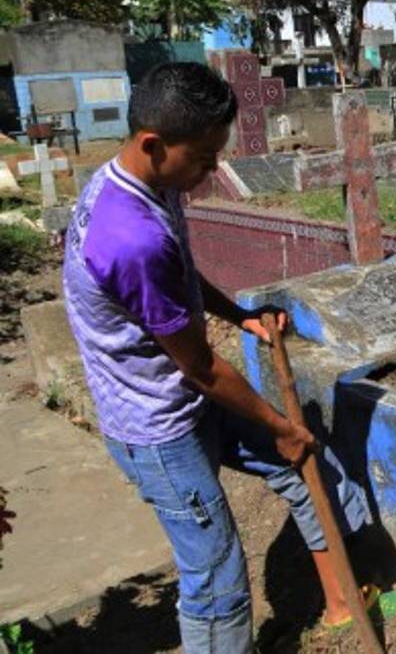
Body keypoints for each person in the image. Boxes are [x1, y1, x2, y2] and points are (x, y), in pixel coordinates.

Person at [62, 62, 371, 653]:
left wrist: (239, 315)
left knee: (299, 466)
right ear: (154, 144)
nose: (210, 173)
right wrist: (279, 424)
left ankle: (341, 604)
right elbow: (201, 368)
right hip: (157, 425)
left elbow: (178, 278)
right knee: (217, 577)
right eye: (204, 159)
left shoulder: (146, 184)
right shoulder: (128, 235)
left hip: (183, 394)